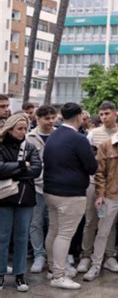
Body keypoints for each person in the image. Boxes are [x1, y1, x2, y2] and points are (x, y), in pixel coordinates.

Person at [43, 103, 98, 290]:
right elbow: (92, 167)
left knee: (53, 231)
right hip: (70, 194)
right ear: (79, 116)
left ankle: (52, 269)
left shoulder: (53, 135)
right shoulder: (79, 139)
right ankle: (58, 275)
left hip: (51, 191)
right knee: (64, 235)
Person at [83, 111, 118, 281]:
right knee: (103, 231)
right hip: (111, 193)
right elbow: (100, 173)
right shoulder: (106, 145)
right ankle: (96, 264)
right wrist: (100, 194)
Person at [0, 113, 42, 292]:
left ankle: (20, 274)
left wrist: (14, 170)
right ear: (10, 128)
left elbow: (36, 170)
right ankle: (1, 273)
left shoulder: (30, 147)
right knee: (2, 237)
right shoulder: (1, 146)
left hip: (25, 197)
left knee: (22, 237)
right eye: (20, 128)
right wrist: (21, 166)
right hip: (4, 197)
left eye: (25, 128)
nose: (23, 132)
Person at [77, 101, 118, 274]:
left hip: (114, 185)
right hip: (94, 182)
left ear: (115, 114)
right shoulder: (93, 134)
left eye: (107, 113)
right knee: (90, 221)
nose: (104, 117)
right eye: (101, 114)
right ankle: (86, 255)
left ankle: (109, 256)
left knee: (110, 222)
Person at [27, 105, 57, 273]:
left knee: (54, 224)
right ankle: (39, 255)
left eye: (53, 118)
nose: (50, 121)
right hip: (35, 187)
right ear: (37, 119)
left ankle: (53, 256)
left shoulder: (59, 135)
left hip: (55, 187)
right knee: (36, 223)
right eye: (47, 118)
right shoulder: (29, 138)